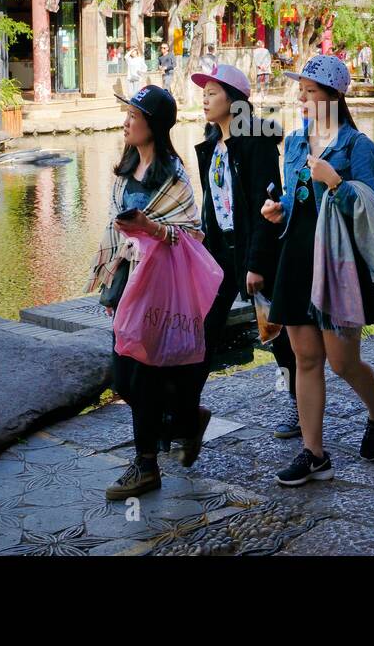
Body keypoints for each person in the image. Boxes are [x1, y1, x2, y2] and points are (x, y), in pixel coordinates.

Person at [260, 54, 374, 486]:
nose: (301, 96)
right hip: (297, 256)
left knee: (342, 361)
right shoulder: (296, 142)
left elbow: (370, 212)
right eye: (300, 89)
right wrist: (278, 209)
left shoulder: (359, 147)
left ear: (334, 96)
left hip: (339, 263)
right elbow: (293, 196)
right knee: (306, 358)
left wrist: (336, 182)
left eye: (310, 90)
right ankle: (314, 454)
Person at [85, 85, 210, 500]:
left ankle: (146, 465)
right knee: (125, 375)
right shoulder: (124, 169)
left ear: (152, 125)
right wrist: (110, 279)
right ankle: (186, 422)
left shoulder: (174, 176)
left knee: (144, 373)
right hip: (127, 281)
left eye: (133, 116)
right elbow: (112, 225)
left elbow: (193, 232)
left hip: (159, 287)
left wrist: (152, 228)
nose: (126, 122)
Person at [192, 63, 297, 438]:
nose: (205, 99)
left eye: (213, 93)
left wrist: (256, 264)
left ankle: (299, 404)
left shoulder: (256, 142)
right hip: (221, 255)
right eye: (203, 94)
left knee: (276, 335)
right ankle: (186, 412)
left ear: (234, 100)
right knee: (204, 329)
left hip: (255, 253)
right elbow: (213, 204)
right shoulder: (211, 144)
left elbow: (265, 209)